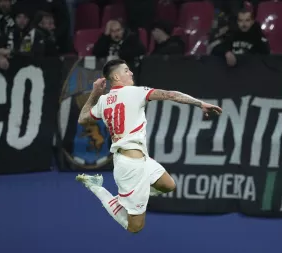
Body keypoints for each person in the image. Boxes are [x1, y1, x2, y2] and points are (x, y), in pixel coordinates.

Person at [76, 59, 222, 233]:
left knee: (168, 185)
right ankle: (96, 187)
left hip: (140, 159)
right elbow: (170, 95)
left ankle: (128, 196)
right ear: (116, 76)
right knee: (134, 227)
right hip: (131, 167)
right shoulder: (135, 93)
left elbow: (82, 118)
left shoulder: (103, 101)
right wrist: (200, 103)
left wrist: (95, 93)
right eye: (126, 70)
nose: (130, 73)